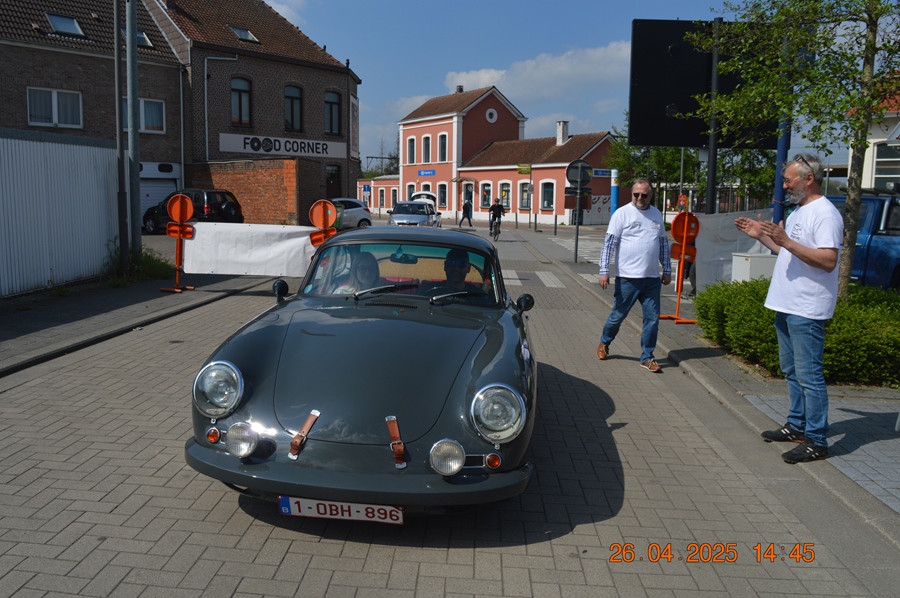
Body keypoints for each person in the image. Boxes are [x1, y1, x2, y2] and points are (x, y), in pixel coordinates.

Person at [734, 153, 843, 464]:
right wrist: (763, 237)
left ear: (808, 179)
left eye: (788, 180)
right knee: (792, 370)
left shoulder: (825, 213)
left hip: (807, 308)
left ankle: (816, 440)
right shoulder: (799, 211)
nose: (784, 186)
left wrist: (786, 240)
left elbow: (828, 260)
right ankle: (797, 425)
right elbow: (787, 252)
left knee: (810, 375)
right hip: (787, 303)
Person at [596, 178, 672, 372]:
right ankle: (605, 341)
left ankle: (647, 357)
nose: (640, 198)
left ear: (650, 195)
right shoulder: (622, 214)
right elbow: (609, 244)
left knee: (652, 319)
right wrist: (604, 271)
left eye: (644, 195)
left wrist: (667, 269)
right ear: (631, 194)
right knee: (618, 316)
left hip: (651, 279)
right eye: (636, 194)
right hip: (628, 278)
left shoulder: (656, 214)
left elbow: (663, 244)